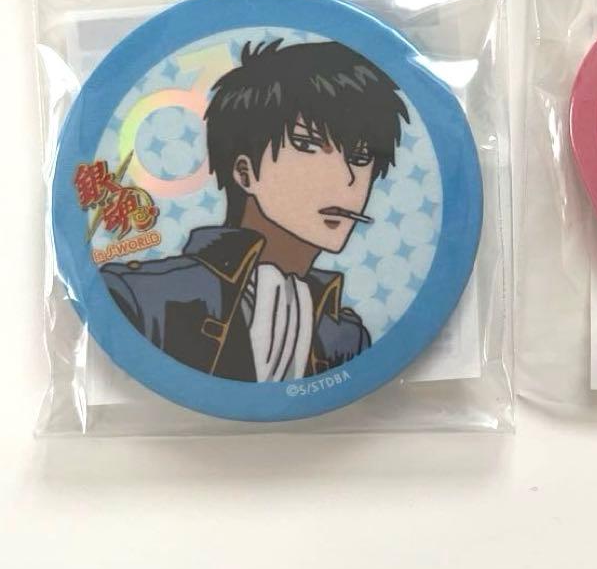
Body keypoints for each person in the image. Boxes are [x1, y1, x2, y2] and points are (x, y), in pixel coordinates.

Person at [102, 39, 408, 382]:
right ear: (244, 172)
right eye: (307, 145)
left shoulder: (346, 336)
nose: (346, 179)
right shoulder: (140, 296)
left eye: (361, 157)